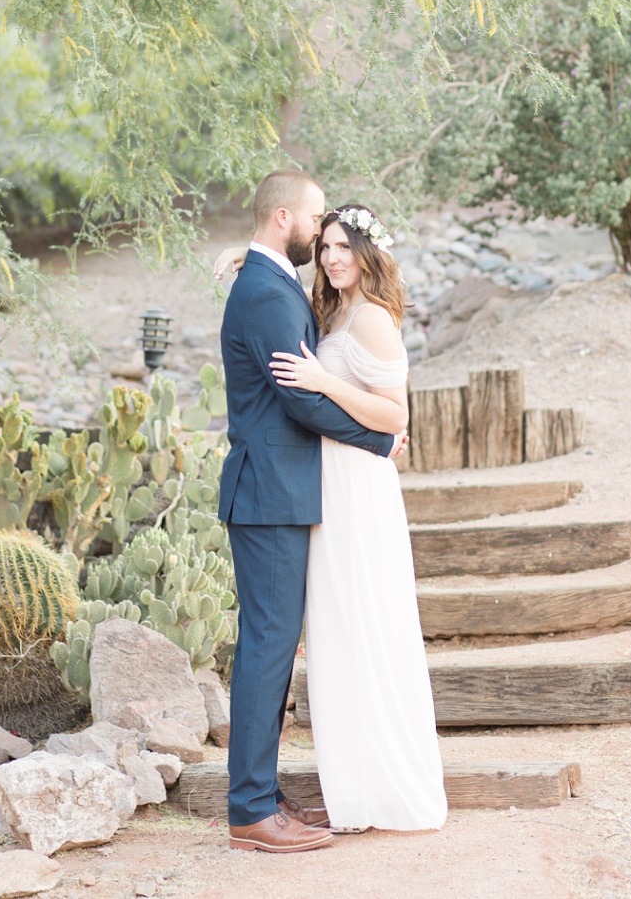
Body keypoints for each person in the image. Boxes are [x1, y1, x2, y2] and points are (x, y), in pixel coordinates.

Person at [217, 170, 403, 854]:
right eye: (315, 223)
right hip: (269, 496)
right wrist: (379, 438)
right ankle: (250, 811)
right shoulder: (266, 291)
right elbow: (297, 398)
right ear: (285, 219)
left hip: (279, 493)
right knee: (267, 650)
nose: (322, 240)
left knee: (271, 647)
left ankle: (261, 795)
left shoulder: (268, 281)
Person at [267, 203, 448, 835]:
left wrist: (323, 380)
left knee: (369, 626)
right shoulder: (332, 311)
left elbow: (395, 416)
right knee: (338, 635)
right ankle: (353, 793)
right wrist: (250, 258)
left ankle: (390, 790)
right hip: (329, 485)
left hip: (360, 487)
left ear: (368, 254)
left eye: (344, 247)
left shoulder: (371, 319)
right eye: (325, 248)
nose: (333, 258)